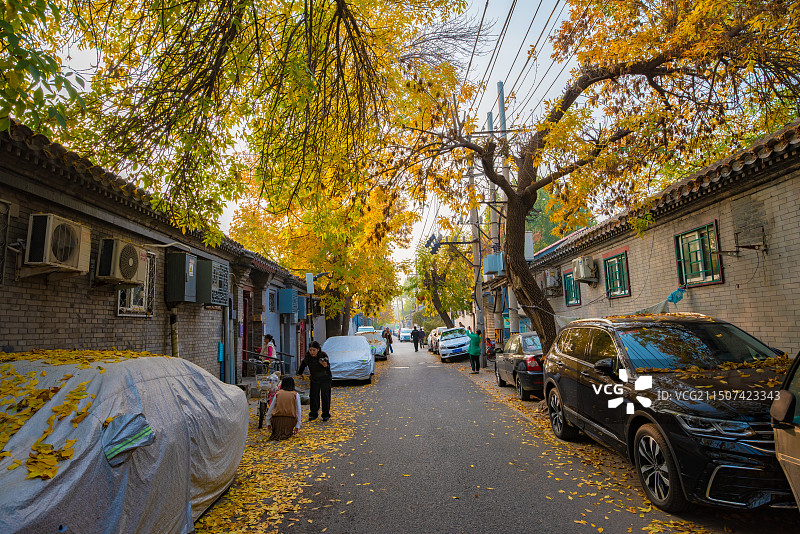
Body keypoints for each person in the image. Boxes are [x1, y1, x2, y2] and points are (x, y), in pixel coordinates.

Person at [297, 341, 332, 422]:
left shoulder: (323, 355)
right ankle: (313, 413)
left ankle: (325, 414)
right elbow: (303, 364)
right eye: (310, 350)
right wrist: (300, 373)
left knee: (325, 396)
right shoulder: (308, 356)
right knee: (313, 396)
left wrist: (325, 365)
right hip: (314, 378)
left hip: (325, 378)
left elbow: (328, 367)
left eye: (314, 350)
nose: (312, 352)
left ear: (318, 350)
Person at [264, 376, 301, 440]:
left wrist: (268, 422)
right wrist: (298, 425)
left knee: (277, 433)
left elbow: (270, 409)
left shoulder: (278, 393)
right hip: (290, 420)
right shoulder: (295, 394)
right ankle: (287, 432)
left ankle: (278, 432)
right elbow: (298, 411)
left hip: (276, 420)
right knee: (286, 432)